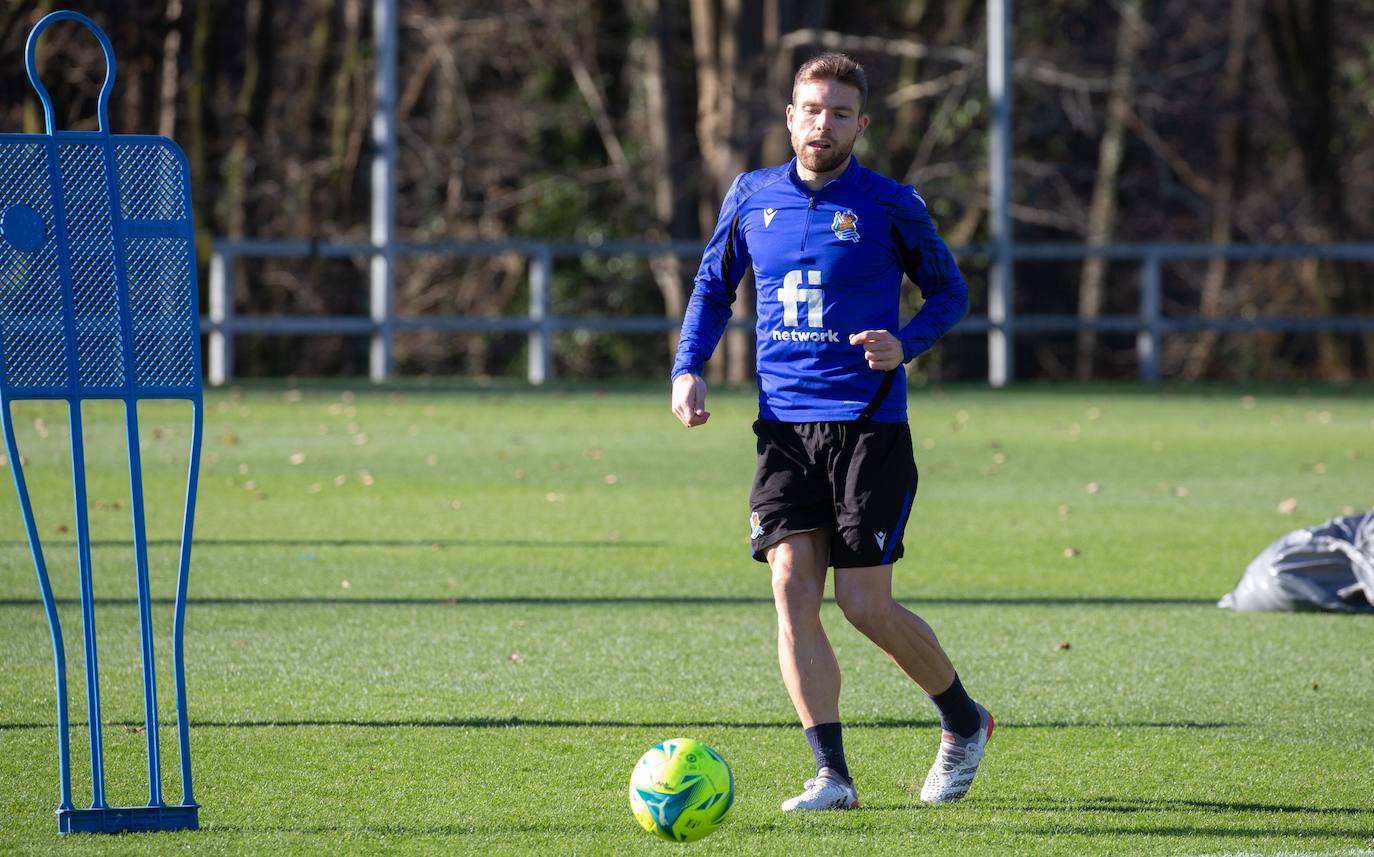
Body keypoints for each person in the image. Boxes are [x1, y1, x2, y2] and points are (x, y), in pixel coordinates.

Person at [669, 52, 991, 810]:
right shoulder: (751, 197)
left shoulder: (890, 203)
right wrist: (689, 365)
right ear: (789, 116)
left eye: (840, 113)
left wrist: (905, 342)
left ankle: (963, 720)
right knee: (790, 588)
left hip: (869, 427)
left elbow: (950, 291)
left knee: (865, 604)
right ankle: (833, 777)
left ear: (861, 124)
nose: (824, 124)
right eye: (811, 110)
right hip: (783, 427)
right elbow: (713, 288)